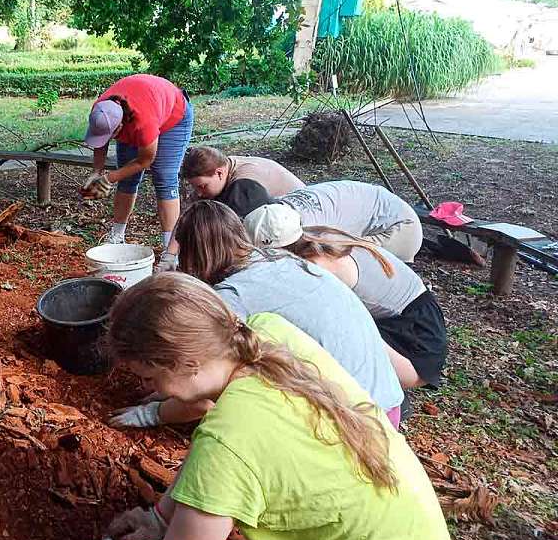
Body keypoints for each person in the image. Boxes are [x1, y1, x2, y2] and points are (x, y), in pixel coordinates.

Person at [87, 273, 462, 540]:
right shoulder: (265, 333)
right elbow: (226, 450)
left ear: (186, 362)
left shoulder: (229, 439)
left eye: (149, 377)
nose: (150, 387)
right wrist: (161, 516)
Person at [109, 200, 404, 430]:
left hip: (357, 420)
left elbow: (206, 393)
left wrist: (152, 413)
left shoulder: (233, 298)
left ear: (195, 253)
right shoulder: (277, 259)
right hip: (386, 399)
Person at [244, 203, 448, 390]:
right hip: (420, 318)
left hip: (414, 346)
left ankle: (384, 398)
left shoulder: (317, 267)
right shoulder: (318, 235)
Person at [81, 74, 195, 254]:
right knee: (127, 179)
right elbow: (99, 141)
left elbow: (145, 160)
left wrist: (109, 178)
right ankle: (117, 237)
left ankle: (170, 250)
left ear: (120, 127)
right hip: (142, 109)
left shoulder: (143, 123)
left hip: (174, 118)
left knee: (164, 178)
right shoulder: (101, 109)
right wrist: (97, 172)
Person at [277, 180, 423, 263]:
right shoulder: (277, 205)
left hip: (401, 227)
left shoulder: (309, 228)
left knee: (328, 260)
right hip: (380, 206)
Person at [181, 145, 305, 198]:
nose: (199, 194)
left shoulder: (244, 184)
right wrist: (170, 252)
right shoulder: (224, 165)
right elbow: (188, 216)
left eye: (202, 187)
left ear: (219, 173)